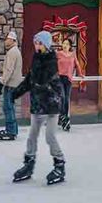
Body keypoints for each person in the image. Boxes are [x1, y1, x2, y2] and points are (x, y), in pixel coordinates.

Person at [11, 31, 66, 185]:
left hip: (52, 104)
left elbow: (42, 79)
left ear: (46, 45)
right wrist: (16, 93)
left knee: (50, 136)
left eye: (40, 43)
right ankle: (29, 163)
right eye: (36, 43)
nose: (37, 46)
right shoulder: (37, 58)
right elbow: (30, 80)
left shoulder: (51, 60)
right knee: (32, 136)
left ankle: (59, 164)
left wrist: (38, 60)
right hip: (38, 104)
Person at [0, 31, 23, 141]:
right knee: (9, 107)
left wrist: (1, 83)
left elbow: (9, 70)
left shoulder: (12, 52)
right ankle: (12, 129)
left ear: (13, 40)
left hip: (11, 84)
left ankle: (11, 131)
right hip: (13, 84)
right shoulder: (15, 51)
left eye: (7, 39)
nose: (6, 41)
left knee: (8, 107)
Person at [56, 38, 82, 132]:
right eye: (63, 43)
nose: (65, 45)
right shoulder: (58, 54)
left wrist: (80, 74)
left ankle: (64, 118)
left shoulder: (73, 54)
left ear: (70, 46)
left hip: (68, 79)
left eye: (67, 44)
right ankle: (61, 116)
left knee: (66, 99)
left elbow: (77, 64)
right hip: (59, 78)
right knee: (62, 97)